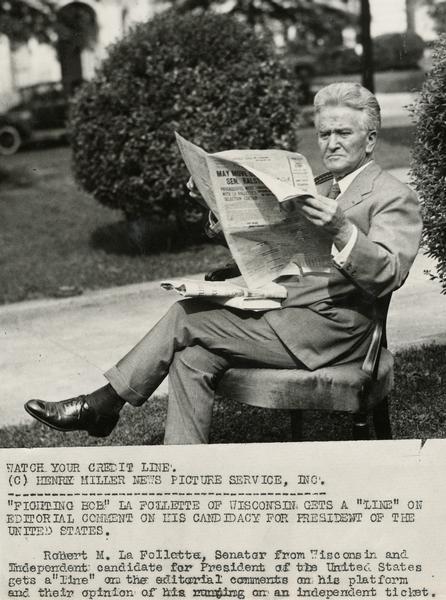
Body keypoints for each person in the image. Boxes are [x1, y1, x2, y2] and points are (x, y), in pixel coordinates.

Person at [25, 82, 422, 444]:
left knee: (186, 316)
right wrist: (216, 203)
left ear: (370, 140)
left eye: (343, 133)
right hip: (282, 311)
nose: (331, 143)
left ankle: (103, 403)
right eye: (324, 133)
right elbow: (270, 246)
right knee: (192, 357)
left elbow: (389, 273)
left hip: (333, 332)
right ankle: (185, 475)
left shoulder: (392, 196)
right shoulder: (316, 186)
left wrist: (342, 230)